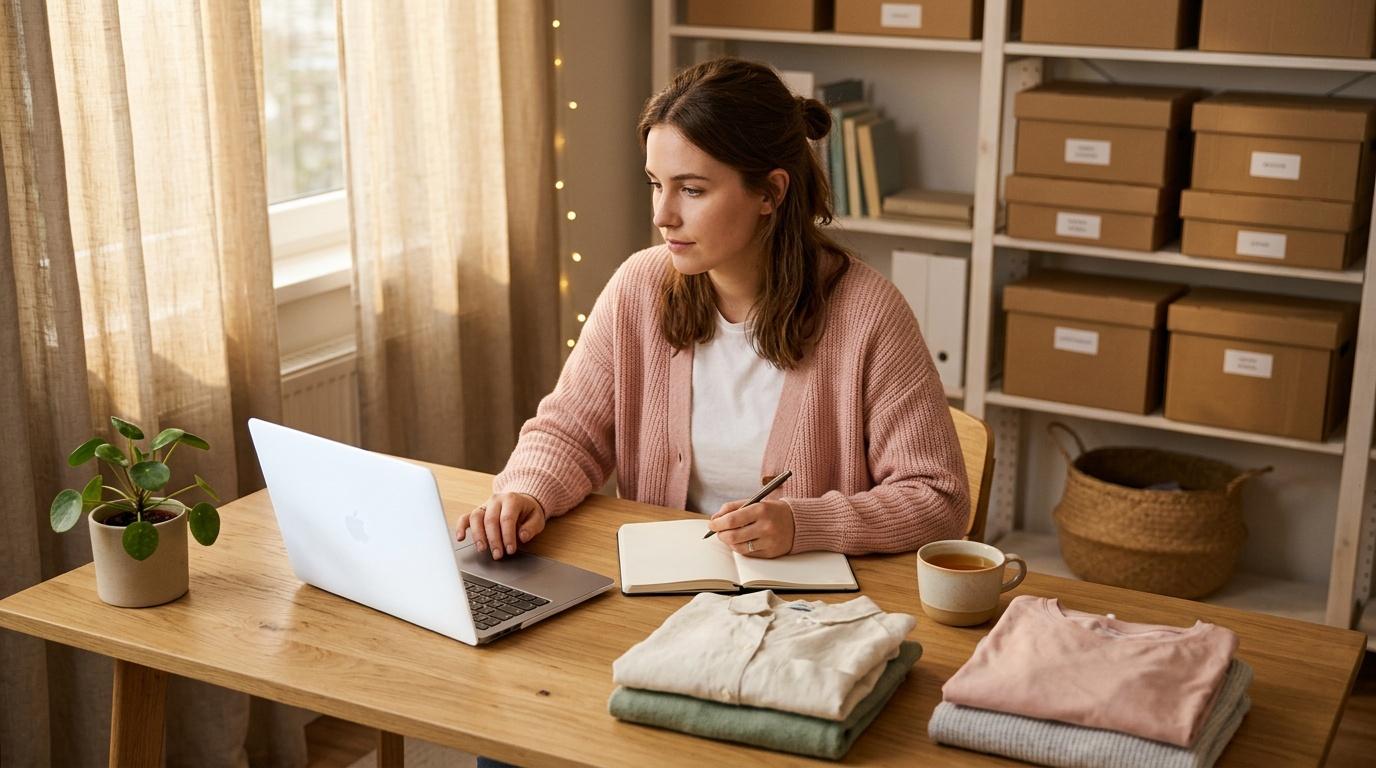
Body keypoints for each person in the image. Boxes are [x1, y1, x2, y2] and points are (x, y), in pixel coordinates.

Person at [458, 56, 969, 563]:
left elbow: (937, 498)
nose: (663, 215)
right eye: (656, 184)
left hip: (805, 604)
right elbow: (570, 430)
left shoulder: (869, 314)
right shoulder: (638, 288)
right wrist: (528, 490)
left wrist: (804, 524)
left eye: (692, 190)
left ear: (770, 192)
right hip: (660, 590)